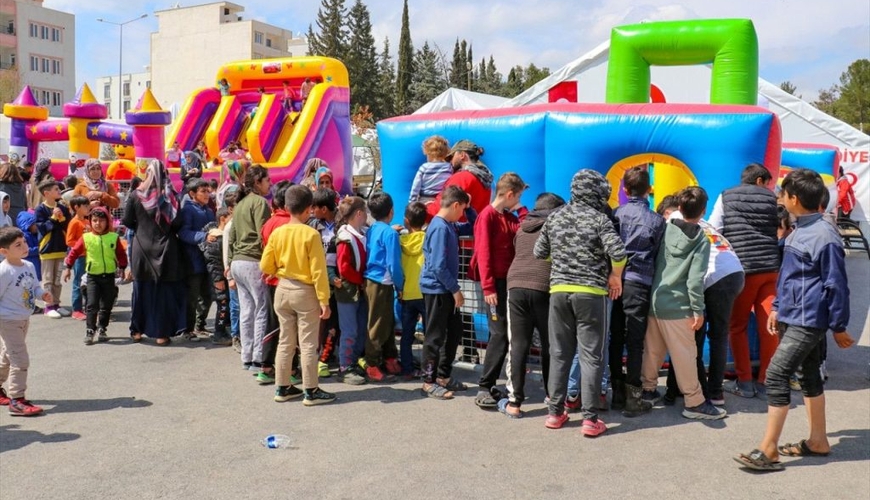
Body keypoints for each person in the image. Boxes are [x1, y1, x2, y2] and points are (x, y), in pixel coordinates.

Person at [734, 168, 854, 472]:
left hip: (808, 320)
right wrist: (777, 306)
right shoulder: (799, 228)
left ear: (795, 198)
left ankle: (769, 449)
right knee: (809, 376)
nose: (779, 197)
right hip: (793, 314)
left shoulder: (824, 236)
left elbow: (836, 285)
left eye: (783, 193)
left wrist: (839, 326)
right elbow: (791, 277)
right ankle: (818, 441)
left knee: (775, 375)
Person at [534, 169, 626, 435]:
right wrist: (615, 276)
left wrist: (563, 264)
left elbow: (540, 253)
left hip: (559, 292)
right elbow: (618, 253)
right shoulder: (599, 219)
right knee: (590, 356)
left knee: (560, 354)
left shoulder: (555, 217)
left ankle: (555, 413)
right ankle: (589, 419)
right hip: (591, 295)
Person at [640, 187, 725, 420]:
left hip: (656, 299)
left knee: (653, 350)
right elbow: (695, 279)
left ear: (679, 207)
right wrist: (698, 309)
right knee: (685, 355)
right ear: (703, 211)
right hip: (678, 305)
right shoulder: (700, 240)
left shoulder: (665, 230)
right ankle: (694, 402)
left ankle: (647, 390)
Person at [709, 163, 781, 398]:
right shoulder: (773, 198)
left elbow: (714, 228)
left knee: (737, 326)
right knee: (769, 326)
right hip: (771, 268)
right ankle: (765, 381)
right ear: (760, 180)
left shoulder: (726, 196)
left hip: (743, 269)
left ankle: (745, 381)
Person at [663, 203, 745, 408]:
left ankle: (700, 390)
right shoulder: (704, 223)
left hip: (715, 277)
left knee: (697, 334)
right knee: (717, 335)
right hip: (734, 272)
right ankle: (713, 392)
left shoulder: (673, 219)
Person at [260, 185, 336, 406]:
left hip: (282, 289)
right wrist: (324, 300)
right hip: (305, 291)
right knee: (308, 343)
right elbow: (318, 271)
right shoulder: (311, 234)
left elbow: (265, 264)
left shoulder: (277, 232)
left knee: (285, 340)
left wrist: (282, 272)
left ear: (286, 206)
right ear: (308, 209)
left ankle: (282, 387)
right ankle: (311, 390)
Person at [606, 167, 666, 417]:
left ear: (625, 190)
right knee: (635, 341)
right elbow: (658, 254)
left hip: (615, 280)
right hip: (640, 282)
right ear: (648, 190)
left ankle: (617, 393)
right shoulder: (656, 220)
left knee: (615, 336)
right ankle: (634, 397)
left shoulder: (616, 215)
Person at [499, 192, 565, 418]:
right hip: (544, 287)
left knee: (518, 345)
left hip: (516, 285)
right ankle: (552, 398)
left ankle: (514, 402)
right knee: (550, 345)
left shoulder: (522, 227)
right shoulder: (556, 227)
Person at [472, 172, 528, 409]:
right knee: (498, 334)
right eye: (519, 196)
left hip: (506, 281)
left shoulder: (506, 216)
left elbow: (522, 228)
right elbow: (483, 252)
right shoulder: (487, 216)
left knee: (504, 334)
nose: (520, 200)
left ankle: (490, 382)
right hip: (494, 282)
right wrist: (488, 287)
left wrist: (521, 208)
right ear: (509, 194)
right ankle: (484, 385)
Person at [419, 186, 476, 399]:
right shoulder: (441, 228)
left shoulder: (450, 225)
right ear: (454, 205)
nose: (462, 213)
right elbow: (437, 266)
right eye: (461, 209)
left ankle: (442, 376)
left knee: (453, 332)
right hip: (437, 289)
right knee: (434, 336)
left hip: (445, 288)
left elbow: (473, 225)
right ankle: (428, 381)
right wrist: (455, 290)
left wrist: (469, 208)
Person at [123, 160, 187, 345]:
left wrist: (142, 225)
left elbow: (127, 221)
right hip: (167, 248)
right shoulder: (170, 195)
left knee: (141, 290)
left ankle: (136, 330)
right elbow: (177, 223)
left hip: (142, 248)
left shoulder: (136, 195)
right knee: (163, 294)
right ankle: (162, 334)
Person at [0, 226, 53, 416]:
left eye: (24, 242)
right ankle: (17, 399)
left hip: (23, 318)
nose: (25, 246)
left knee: (8, 354)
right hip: (8, 321)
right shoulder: (4, 271)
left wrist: (42, 295)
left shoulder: (29, 265)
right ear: (4, 251)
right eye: (18, 245)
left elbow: (35, 287)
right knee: (20, 359)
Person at [227, 165, 272, 371]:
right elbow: (264, 236)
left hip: (237, 262)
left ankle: (247, 356)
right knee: (261, 309)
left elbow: (232, 237)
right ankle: (258, 357)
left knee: (247, 311)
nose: (269, 183)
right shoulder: (260, 203)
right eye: (267, 180)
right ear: (257, 182)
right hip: (253, 261)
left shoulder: (240, 204)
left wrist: (228, 264)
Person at [62, 207, 127, 345]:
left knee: (107, 304)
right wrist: (68, 267)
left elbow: (121, 254)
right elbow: (73, 253)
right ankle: (90, 330)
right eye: (95, 220)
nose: (98, 223)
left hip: (109, 276)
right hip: (92, 277)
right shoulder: (86, 238)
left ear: (107, 222)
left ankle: (102, 328)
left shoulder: (113, 237)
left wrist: (122, 267)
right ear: (90, 222)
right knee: (91, 304)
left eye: (101, 220)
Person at [362, 193, 404, 381]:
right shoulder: (390, 234)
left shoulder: (373, 229)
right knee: (378, 325)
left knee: (385, 322)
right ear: (392, 211)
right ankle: (371, 364)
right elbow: (393, 264)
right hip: (382, 282)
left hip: (372, 280)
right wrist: (400, 285)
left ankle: (389, 358)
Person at [259, 181, 294, 385]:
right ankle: (290, 370)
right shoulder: (290, 224)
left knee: (272, 323)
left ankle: (265, 366)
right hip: (287, 280)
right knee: (290, 326)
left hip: (271, 279)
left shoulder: (269, 223)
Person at [333, 196, 369, 385]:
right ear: (358, 213)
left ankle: (352, 362)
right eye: (365, 213)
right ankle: (344, 366)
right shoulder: (345, 238)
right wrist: (360, 280)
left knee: (359, 327)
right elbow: (344, 268)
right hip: (348, 290)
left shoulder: (359, 234)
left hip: (357, 288)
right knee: (349, 330)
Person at [177, 179, 217, 341]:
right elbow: (184, 233)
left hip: (208, 259)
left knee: (207, 295)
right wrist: (204, 237)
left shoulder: (208, 210)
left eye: (208, 191)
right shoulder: (187, 210)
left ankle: (200, 324)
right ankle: (188, 329)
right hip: (192, 260)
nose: (207, 194)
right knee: (192, 296)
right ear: (192, 194)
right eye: (203, 191)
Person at [308, 188, 339, 377]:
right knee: (319, 320)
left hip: (337, 280)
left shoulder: (342, 224)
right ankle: (316, 354)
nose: (312, 211)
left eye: (315, 207)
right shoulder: (313, 226)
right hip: (318, 278)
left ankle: (326, 357)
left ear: (325, 209)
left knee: (333, 321)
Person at [427, 140, 493, 219]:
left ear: (462, 155)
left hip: (456, 229)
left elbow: (442, 209)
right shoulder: (485, 178)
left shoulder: (462, 177)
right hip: (473, 228)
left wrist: (421, 212)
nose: (451, 162)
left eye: (452, 157)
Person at [34, 179, 71, 319]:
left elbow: (67, 225)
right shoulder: (40, 209)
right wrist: (53, 218)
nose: (59, 191)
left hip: (60, 248)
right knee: (48, 279)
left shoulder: (62, 207)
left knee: (57, 279)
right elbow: (42, 228)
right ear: (46, 193)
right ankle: (48, 306)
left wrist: (61, 218)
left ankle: (56, 304)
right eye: (56, 189)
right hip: (47, 249)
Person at [398, 202, 427, 378]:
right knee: (429, 334)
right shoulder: (428, 237)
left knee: (407, 335)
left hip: (406, 293)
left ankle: (407, 369)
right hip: (424, 292)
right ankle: (429, 367)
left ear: (406, 221)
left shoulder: (400, 241)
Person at [199, 207, 234, 346]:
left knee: (225, 303)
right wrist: (218, 279)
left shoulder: (223, 236)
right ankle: (218, 333)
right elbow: (213, 263)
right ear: (222, 219)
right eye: (230, 217)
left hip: (223, 278)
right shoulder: (215, 238)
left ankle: (224, 329)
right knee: (223, 303)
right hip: (217, 278)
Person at [65, 196, 90, 321]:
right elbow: (69, 241)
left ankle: (87, 307)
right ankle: (77, 309)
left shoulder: (86, 221)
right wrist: (82, 245)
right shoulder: (74, 222)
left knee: (88, 282)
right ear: (76, 208)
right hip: (79, 257)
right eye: (85, 206)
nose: (88, 208)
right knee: (78, 282)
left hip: (89, 255)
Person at [408, 136, 453, 204]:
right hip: (441, 201)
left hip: (424, 200)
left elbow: (416, 186)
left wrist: (412, 202)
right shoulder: (448, 167)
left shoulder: (424, 168)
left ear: (428, 153)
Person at [15, 211, 41, 284]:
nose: (36, 226)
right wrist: (39, 249)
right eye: (34, 224)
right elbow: (25, 251)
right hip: (27, 266)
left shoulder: (35, 234)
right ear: (28, 225)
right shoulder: (22, 236)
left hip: (36, 265)